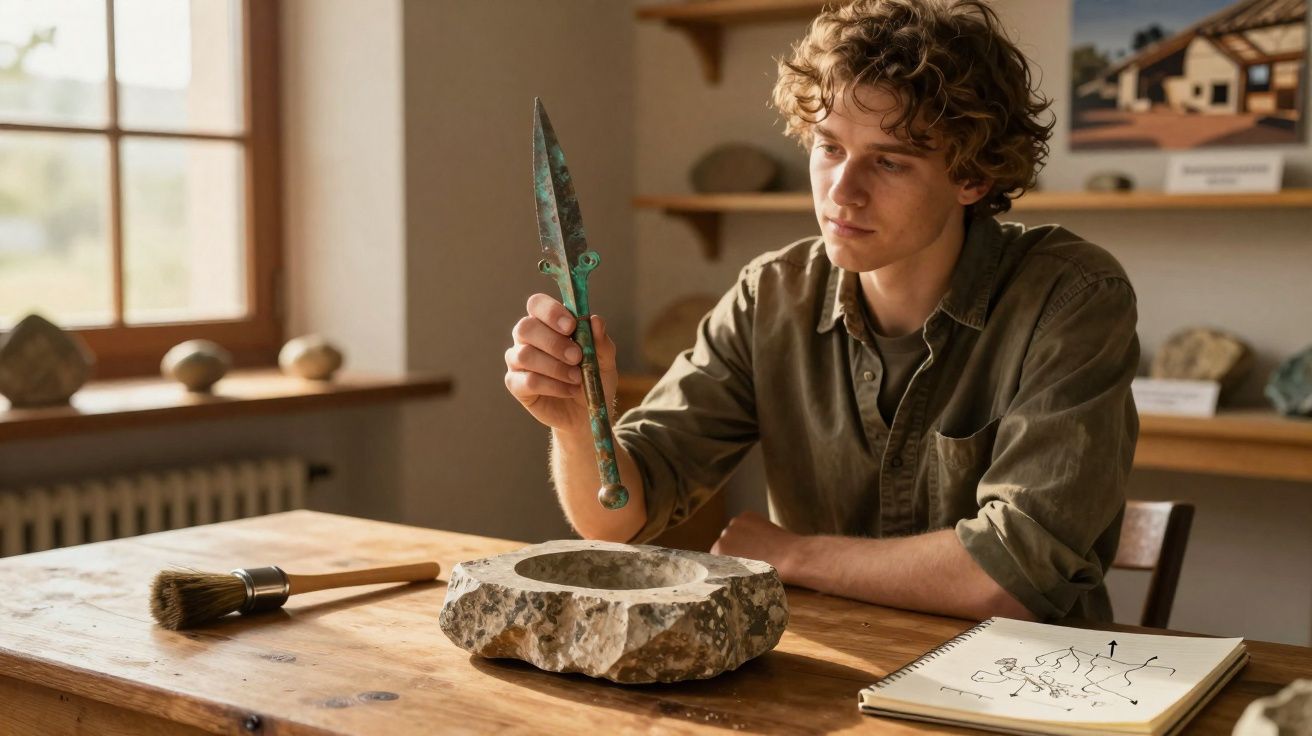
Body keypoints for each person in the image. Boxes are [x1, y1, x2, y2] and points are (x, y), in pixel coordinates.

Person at [504, 0, 1138, 623]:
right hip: (829, 678)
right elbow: (624, 515)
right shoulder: (773, 294)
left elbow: (1012, 578)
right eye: (829, 147)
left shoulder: (1071, 294)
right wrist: (577, 426)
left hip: (1025, 690)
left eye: (889, 161)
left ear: (972, 178)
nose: (843, 192)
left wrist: (793, 555)